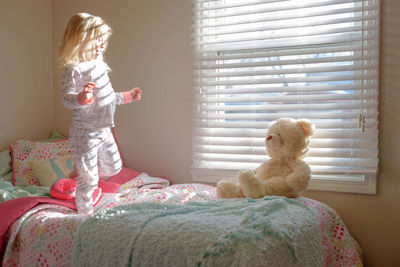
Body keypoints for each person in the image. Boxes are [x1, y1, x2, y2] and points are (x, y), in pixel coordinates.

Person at [57, 13, 141, 214]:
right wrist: (81, 98)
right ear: (80, 41)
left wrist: (128, 96)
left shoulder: (99, 65)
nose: (102, 46)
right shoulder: (73, 69)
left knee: (114, 167)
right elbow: (65, 98)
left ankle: (81, 171)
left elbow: (108, 97)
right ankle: (85, 216)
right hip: (85, 133)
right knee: (90, 178)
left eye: (103, 43)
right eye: (97, 42)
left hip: (104, 129)